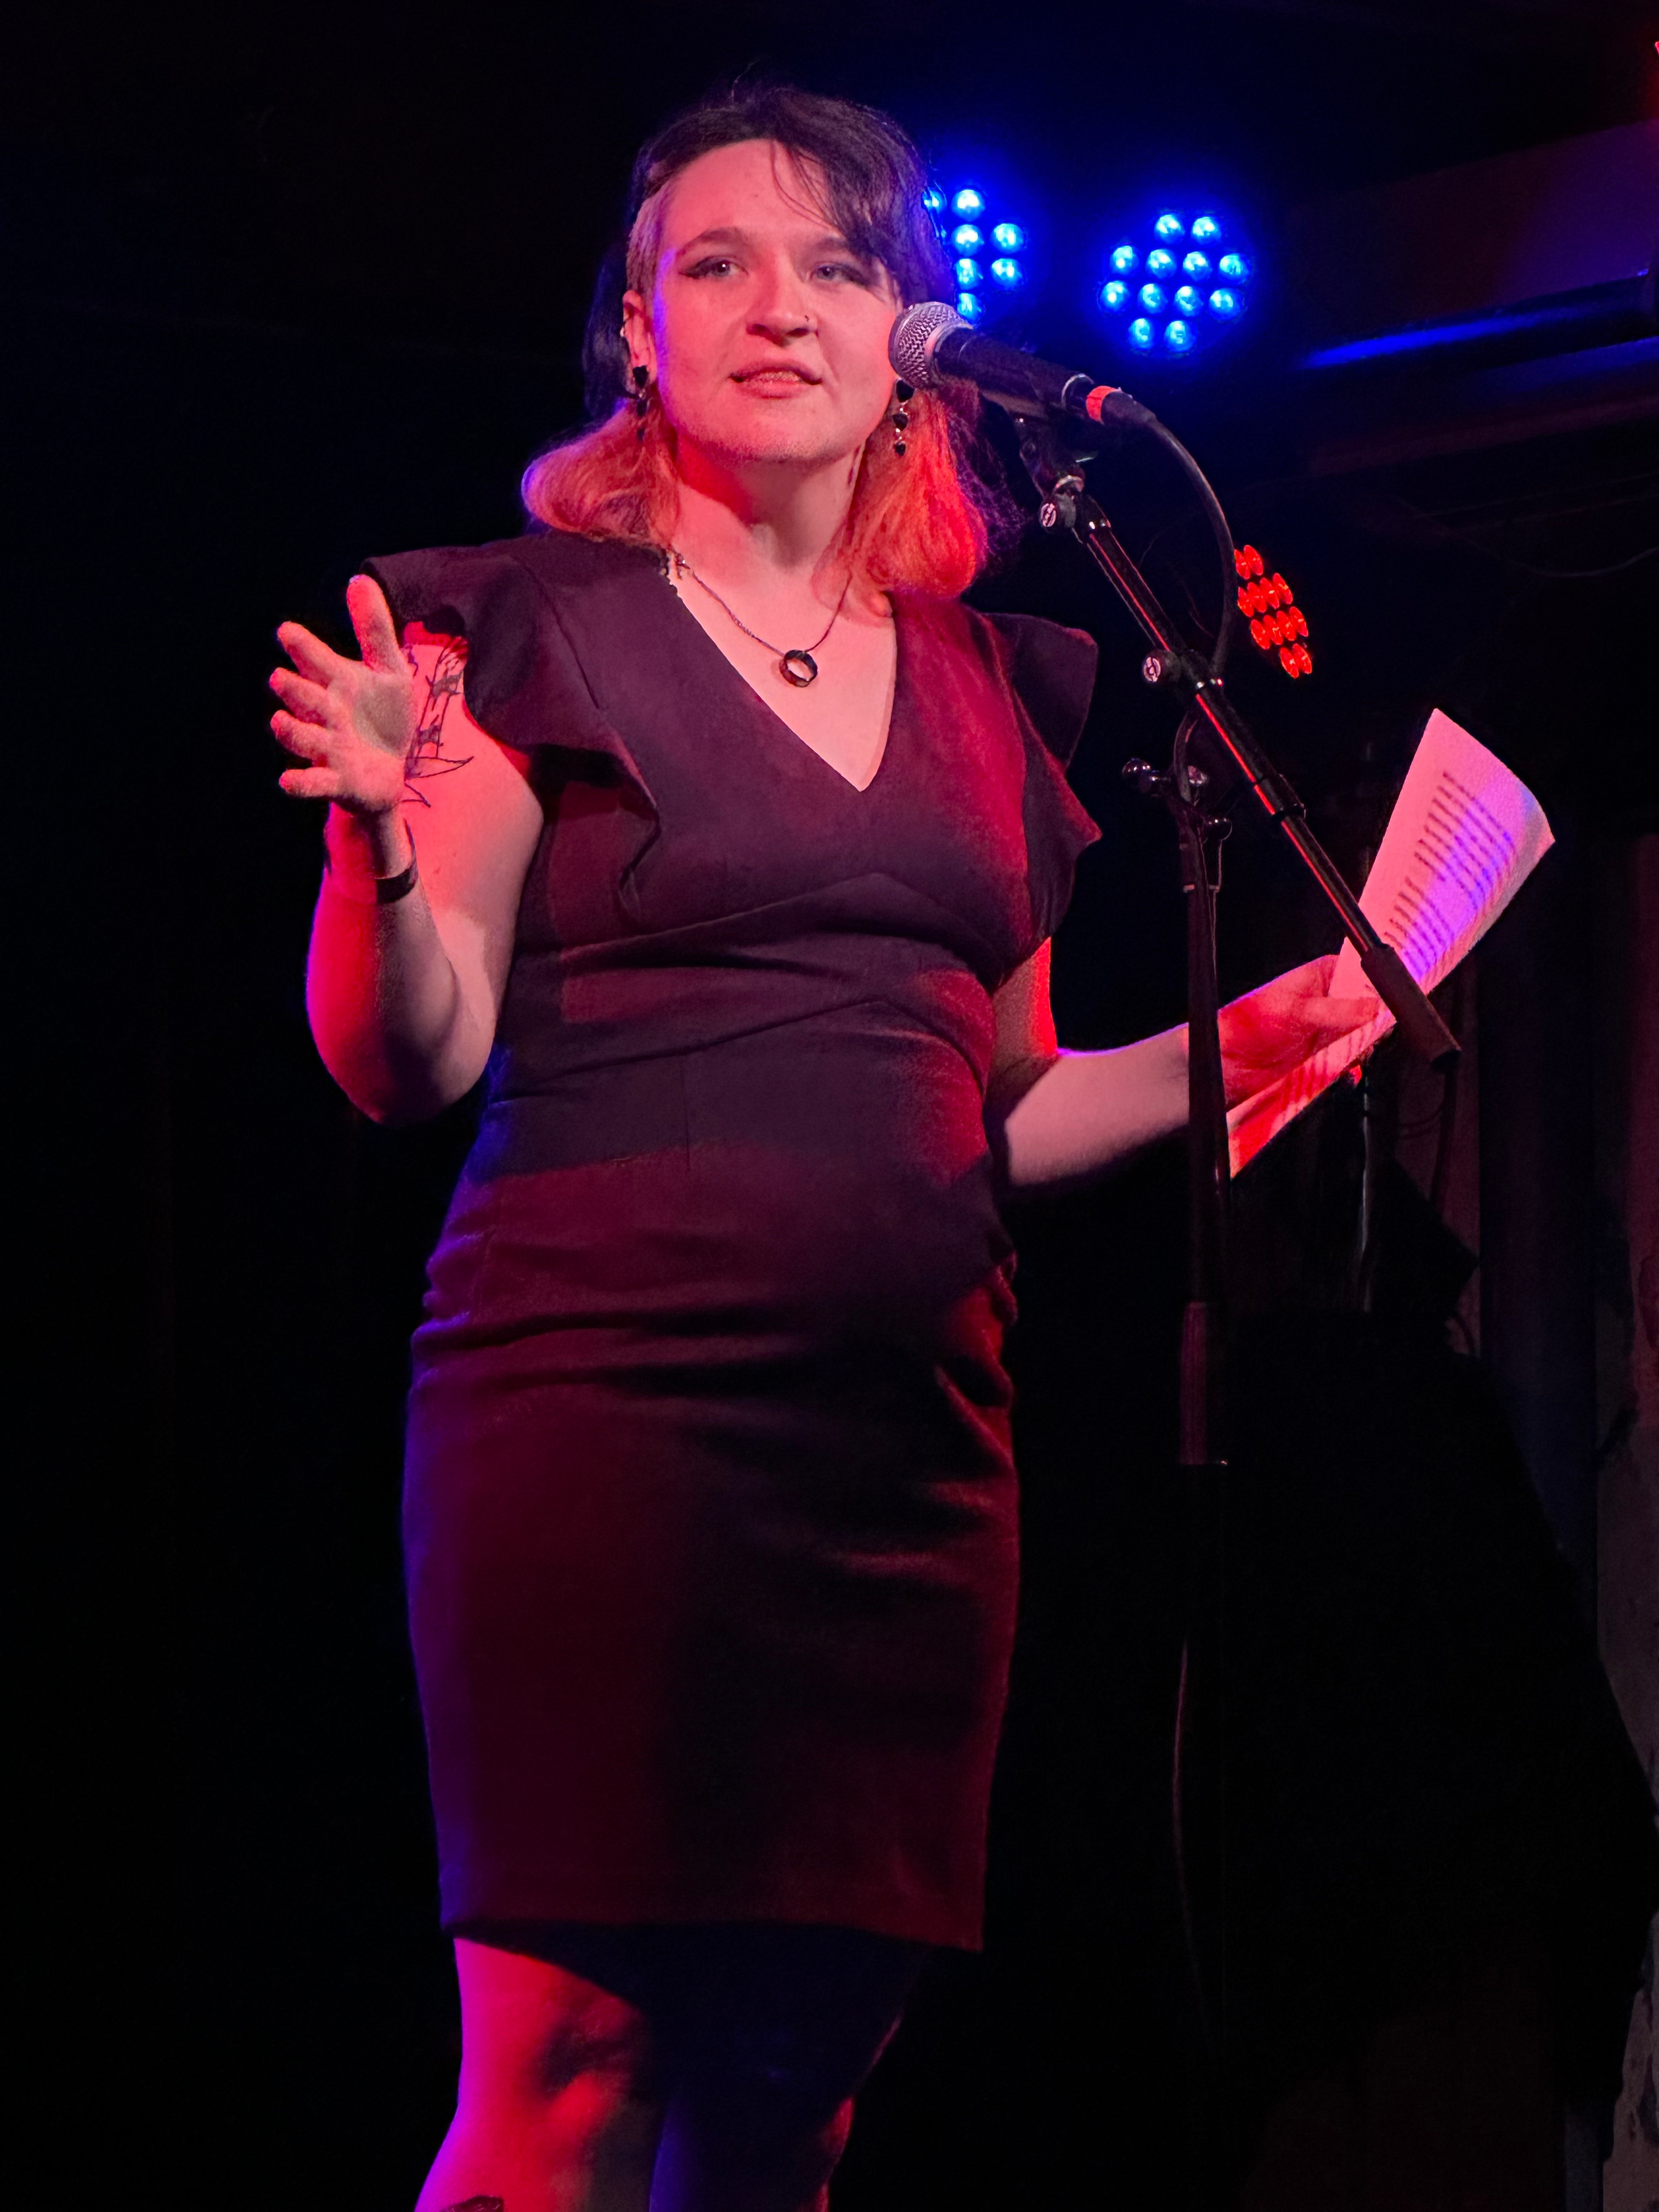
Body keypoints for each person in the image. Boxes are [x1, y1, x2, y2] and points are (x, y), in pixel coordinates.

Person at [270, 84, 1373, 2212]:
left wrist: (1253, 1046)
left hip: (904, 1468)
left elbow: (1011, 1102)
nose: (781, 307)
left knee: (800, 2090)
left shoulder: (992, 686)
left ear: (910, 342)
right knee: (569, 2068)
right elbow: (407, 1063)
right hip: (599, 1425)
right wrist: (372, 860)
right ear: (638, 332)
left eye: (838, 265)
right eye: (718, 263)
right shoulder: (520, 631)